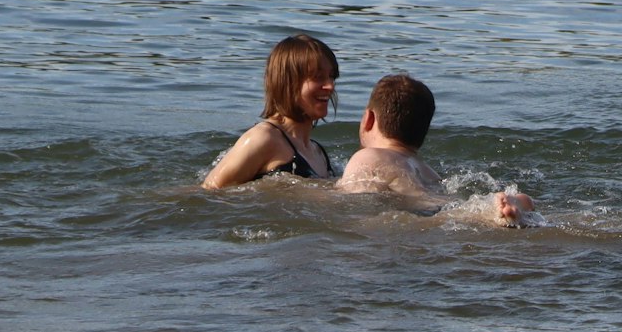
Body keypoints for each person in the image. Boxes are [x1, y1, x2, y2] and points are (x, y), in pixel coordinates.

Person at [337, 73, 536, 225]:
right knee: (456, 207)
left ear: (368, 119)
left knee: (455, 213)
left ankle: (492, 210)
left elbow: (354, 206)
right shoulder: (427, 171)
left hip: (427, 216)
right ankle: (511, 204)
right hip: (443, 208)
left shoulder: (367, 157)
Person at [202, 34, 340, 189]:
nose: (330, 86)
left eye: (331, 77)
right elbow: (208, 191)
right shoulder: (263, 138)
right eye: (318, 77)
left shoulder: (318, 152)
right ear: (288, 82)